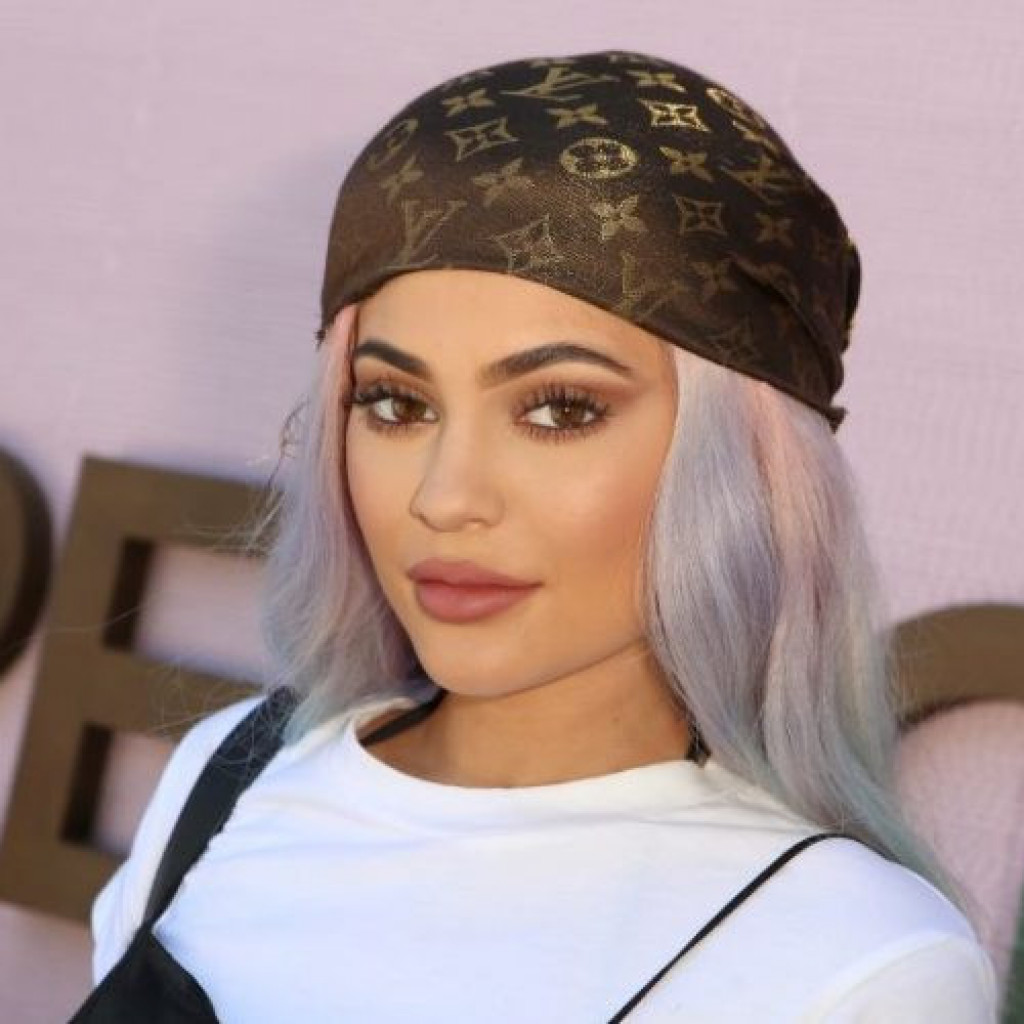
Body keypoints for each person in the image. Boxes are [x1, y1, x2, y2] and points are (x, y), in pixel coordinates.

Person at [71, 50, 998, 1021]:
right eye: (394, 403)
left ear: (739, 466)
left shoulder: (856, 962)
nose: (445, 497)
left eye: (559, 409)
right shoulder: (229, 777)